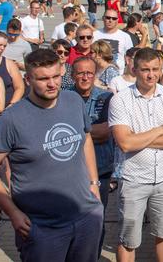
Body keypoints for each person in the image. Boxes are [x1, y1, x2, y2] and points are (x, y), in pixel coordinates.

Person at [0, 49, 103, 262]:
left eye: (56, 76)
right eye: (43, 79)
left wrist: (94, 183)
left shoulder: (73, 100)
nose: (52, 84)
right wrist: (13, 212)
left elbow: (86, 138)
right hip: (41, 227)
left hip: (86, 216)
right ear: (28, 79)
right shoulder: (11, 119)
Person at [108, 47, 163, 262]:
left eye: (155, 69)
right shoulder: (120, 100)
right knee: (128, 240)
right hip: (134, 180)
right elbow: (124, 143)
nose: (151, 75)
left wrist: (138, 138)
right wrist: (159, 130)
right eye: (145, 70)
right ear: (134, 69)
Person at [70, 57, 114, 257]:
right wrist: (88, 132)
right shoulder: (63, 98)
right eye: (80, 73)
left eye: (89, 73)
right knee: (71, 218)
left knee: (96, 218)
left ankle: (93, 257)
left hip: (100, 169)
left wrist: (71, 134)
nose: (85, 77)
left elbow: (105, 131)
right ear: (72, 76)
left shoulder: (106, 98)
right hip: (70, 170)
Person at [0, 31, 24, 107]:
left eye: (4, 46)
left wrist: (12, 104)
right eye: (0, 45)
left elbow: (20, 87)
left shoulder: (9, 64)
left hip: (5, 110)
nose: (2, 48)